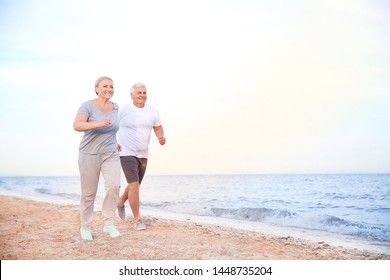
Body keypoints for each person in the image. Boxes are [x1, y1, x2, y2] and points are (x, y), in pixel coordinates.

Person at [73, 76, 122, 240]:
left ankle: (109, 223)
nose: (109, 89)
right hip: (89, 154)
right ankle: (85, 227)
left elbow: (113, 129)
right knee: (88, 193)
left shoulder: (115, 107)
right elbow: (77, 125)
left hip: (110, 153)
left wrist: (116, 143)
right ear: (97, 89)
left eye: (111, 86)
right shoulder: (87, 106)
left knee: (114, 186)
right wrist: (97, 123)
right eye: (105, 86)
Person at [117, 82, 166, 230]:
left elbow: (157, 127)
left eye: (144, 93)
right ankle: (138, 220)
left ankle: (120, 202)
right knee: (134, 185)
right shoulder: (123, 110)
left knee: (135, 184)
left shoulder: (153, 111)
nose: (142, 95)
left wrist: (160, 137)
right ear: (132, 95)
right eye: (139, 93)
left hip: (143, 154)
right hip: (126, 152)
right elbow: (111, 126)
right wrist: (113, 142)